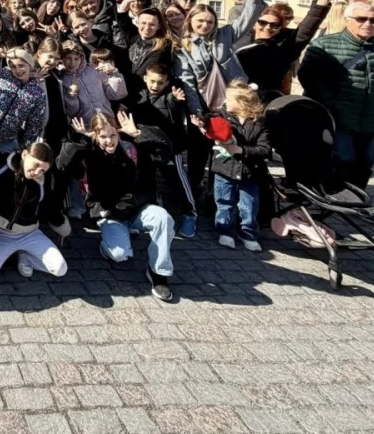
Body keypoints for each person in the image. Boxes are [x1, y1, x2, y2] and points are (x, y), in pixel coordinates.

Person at [67, 112, 175, 302]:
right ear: (95, 135)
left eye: (113, 135)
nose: (109, 141)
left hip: (137, 208)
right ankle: (107, 243)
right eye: (103, 136)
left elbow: (164, 152)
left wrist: (138, 134)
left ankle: (159, 272)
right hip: (111, 213)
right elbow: (64, 164)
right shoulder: (89, 154)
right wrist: (83, 140)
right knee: (119, 255)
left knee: (163, 217)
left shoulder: (131, 150)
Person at [298, 2, 374, 190]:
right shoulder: (325, 45)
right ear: (347, 20)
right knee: (342, 158)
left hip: (371, 119)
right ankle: (333, 196)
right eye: (361, 19)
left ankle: (357, 199)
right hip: (337, 117)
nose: (368, 24)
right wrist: (331, 104)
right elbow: (308, 77)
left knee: (366, 162)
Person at [174, 0, 265, 117]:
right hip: (209, 104)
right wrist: (197, 112)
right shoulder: (183, 47)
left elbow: (246, 19)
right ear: (190, 20)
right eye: (200, 21)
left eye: (210, 22)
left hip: (237, 100)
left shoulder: (224, 35)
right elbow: (188, 83)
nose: (205, 25)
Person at [235, 0, 344, 98]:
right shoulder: (238, 40)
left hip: (266, 100)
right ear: (254, 23)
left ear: (280, 28)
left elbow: (306, 29)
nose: (268, 27)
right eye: (262, 22)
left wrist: (322, 1)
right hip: (235, 97)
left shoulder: (284, 48)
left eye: (274, 25)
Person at [0, 141, 67, 284]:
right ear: (25, 154)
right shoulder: (3, 164)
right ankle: (9, 255)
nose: (37, 172)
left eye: (43, 170)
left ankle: (25, 256)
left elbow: (51, 206)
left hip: (28, 233)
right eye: (36, 165)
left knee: (60, 268)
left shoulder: (42, 182)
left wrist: (62, 227)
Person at [131, 63, 197, 238]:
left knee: (178, 181)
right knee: (145, 180)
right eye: (152, 81)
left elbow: (174, 105)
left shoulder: (169, 98)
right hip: (146, 147)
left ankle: (190, 213)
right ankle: (150, 210)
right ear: (145, 78)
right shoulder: (138, 96)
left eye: (160, 83)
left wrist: (176, 99)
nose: (155, 86)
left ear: (167, 82)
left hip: (170, 149)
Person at [208, 81, 272, 251]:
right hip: (224, 169)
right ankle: (226, 232)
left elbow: (265, 149)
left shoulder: (260, 123)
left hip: (250, 172)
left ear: (242, 103)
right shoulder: (222, 116)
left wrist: (241, 150)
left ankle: (248, 234)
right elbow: (209, 123)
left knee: (249, 205)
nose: (225, 101)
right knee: (224, 202)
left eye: (229, 99)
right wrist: (201, 125)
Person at [0, 48, 49, 169]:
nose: (17, 70)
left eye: (21, 65)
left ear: (30, 66)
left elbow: (34, 125)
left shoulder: (37, 94)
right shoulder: (1, 75)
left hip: (3, 143)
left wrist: (24, 148)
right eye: (13, 66)